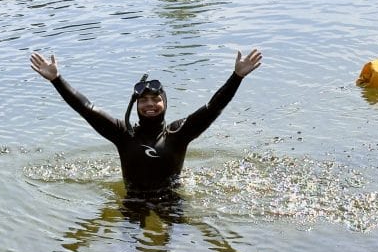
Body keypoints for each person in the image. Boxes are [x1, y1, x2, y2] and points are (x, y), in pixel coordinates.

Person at [30, 48, 262, 193]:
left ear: (165, 103)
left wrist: (237, 77)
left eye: (155, 99)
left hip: (171, 199)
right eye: (144, 101)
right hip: (132, 200)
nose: (150, 104)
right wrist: (56, 79)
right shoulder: (123, 134)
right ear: (136, 106)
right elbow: (86, 108)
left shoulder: (178, 133)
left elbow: (213, 108)